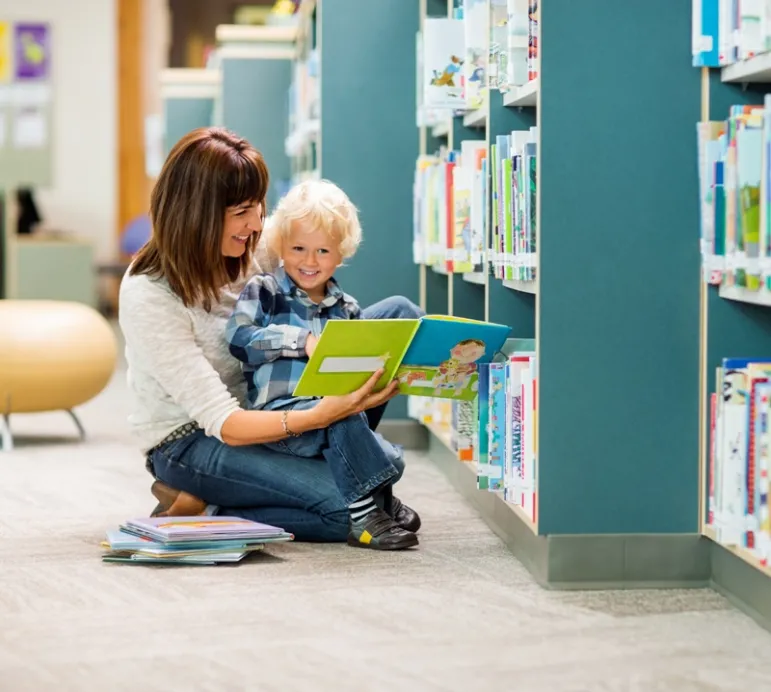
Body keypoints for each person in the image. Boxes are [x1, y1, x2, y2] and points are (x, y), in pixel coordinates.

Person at [118, 126, 424, 548]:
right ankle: (207, 506)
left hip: (277, 399)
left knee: (398, 319)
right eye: (242, 211)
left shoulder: (254, 243)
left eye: (259, 206)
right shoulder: (148, 293)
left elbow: (312, 222)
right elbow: (222, 421)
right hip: (194, 440)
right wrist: (321, 415)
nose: (257, 223)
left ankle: (341, 452)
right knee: (348, 508)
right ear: (198, 211)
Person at [224, 179, 417, 550]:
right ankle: (367, 513)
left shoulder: (347, 308)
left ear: (340, 254)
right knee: (337, 413)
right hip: (284, 420)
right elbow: (239, 338)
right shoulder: (265, 290)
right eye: (298, 248)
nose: (309, 262)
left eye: (323, 251)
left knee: (402, 314)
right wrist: (300, 342)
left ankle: (376, 489)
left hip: (338, 411)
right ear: (281, 245)